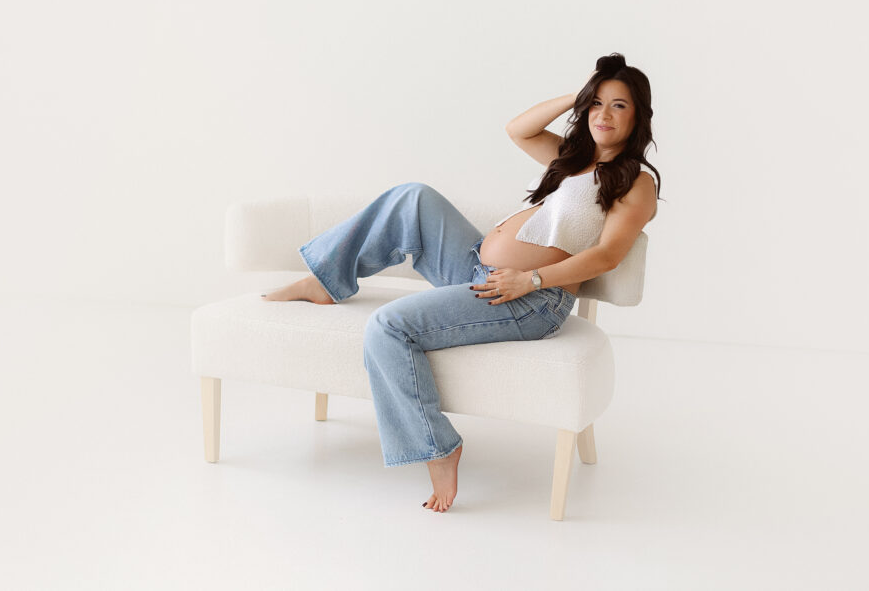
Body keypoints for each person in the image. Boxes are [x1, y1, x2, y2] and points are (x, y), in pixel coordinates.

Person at [262, 52, 661, 514]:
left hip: (530, 299)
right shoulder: (572, 159)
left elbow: (607, 255)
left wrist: (530, 279)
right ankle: (327, 281)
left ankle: (438, 447)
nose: (604, 115)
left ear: (638, 118)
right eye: (597, 104)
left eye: (619, 106)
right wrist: (582, 93)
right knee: (413, 197)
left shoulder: (636, 183)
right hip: (480, 270)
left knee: (387, 326)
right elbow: (519, 128)